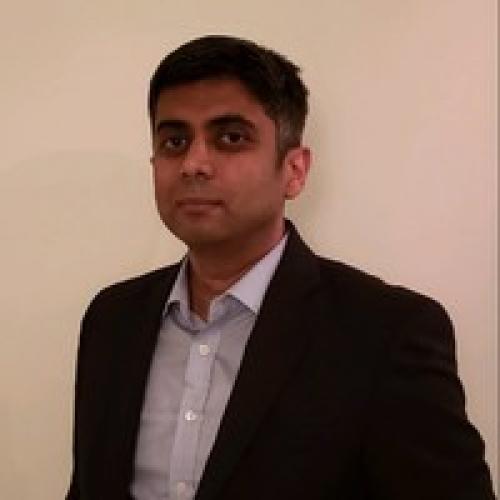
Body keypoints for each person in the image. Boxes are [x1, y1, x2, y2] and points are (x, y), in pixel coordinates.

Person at [66, 35, 495, 500]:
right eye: (174, 141)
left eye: (230, 138)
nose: (193, 163)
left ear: (295, 170)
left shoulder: (386, 334)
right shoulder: (112, 319)